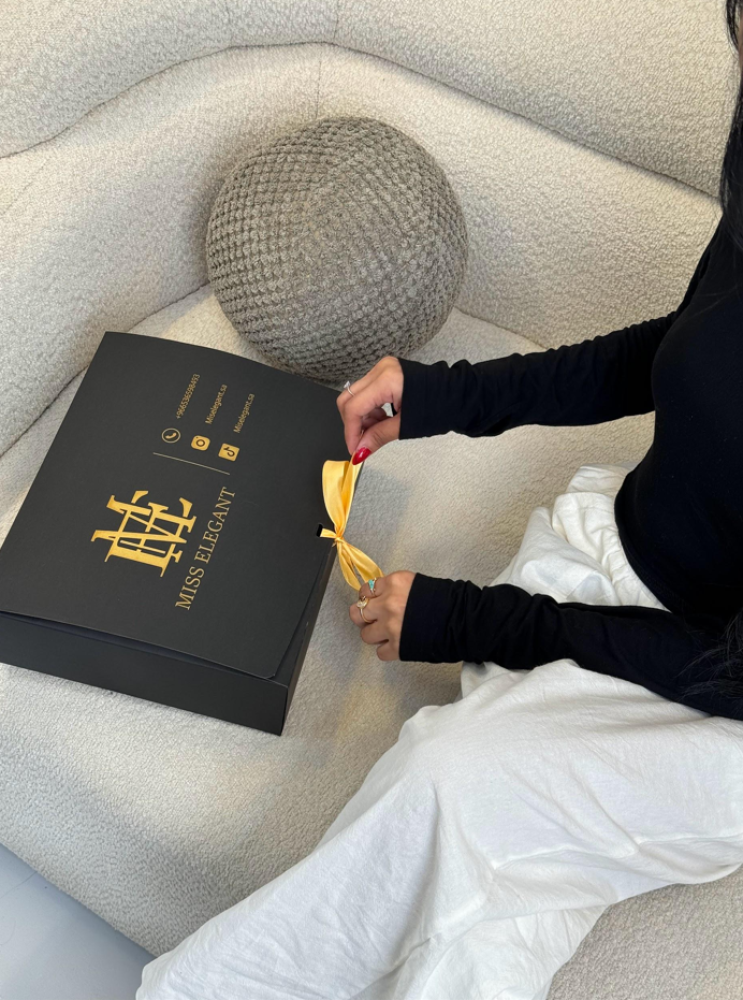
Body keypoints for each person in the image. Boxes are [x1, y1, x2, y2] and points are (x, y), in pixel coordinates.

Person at [138, 6, 743, 998]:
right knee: (483, 897)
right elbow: (682, 350)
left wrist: (469, 619)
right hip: (612, 563)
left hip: (717, 711)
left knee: (445, 783)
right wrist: (439, 397)